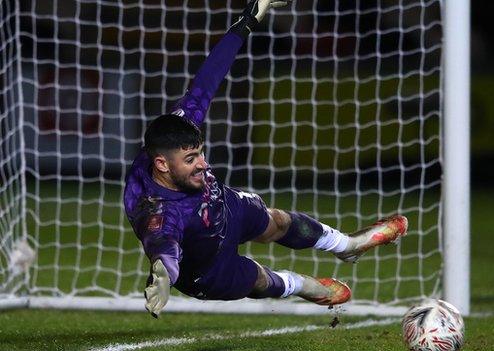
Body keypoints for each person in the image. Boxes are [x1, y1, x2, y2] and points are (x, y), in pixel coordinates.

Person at [123, 0, 408, 318]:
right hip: (206, 266)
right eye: (191, 159)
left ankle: (347, 247)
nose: (203, 163)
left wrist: (247, 20)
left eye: (200, 153)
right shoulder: (154, 207)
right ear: (161, 165)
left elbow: (207, 79)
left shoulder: (178, 129)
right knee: (258, 278)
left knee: (277, 221)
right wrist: (163, 275)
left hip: (224, 207)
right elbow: (163, 244)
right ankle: (304, 286)